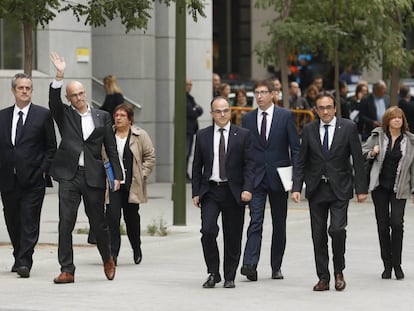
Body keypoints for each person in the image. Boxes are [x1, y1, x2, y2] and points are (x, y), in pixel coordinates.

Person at [49, 52, 123, 284]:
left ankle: (107, 258)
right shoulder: (65, 115)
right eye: (74, 95)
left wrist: (117, 175)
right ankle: (67, 269)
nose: (79, 97)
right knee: (66, 222)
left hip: (93, 176)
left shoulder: (102, 117)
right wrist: (59, 75)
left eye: (81, 93)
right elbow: (53, 101)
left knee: (98, 223)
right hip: (69, 175)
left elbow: (111, 147)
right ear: (69, 98)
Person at [291, 92, 368, 292]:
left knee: (336, 230)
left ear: (335, 108)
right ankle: (323, 277)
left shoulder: (348, 127)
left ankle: (339, 271)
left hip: (340, 188)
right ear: (316, 110)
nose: (325, 111)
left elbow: (358, 160)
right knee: (318, 235)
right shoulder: (308, 130)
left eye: (328, 107)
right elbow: (301, 161)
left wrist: (361, 189)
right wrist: (297, 187)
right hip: (316, 189)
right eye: (321, 108)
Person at [192, 96, 255, 289]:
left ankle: (230, 275)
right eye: (218, 111)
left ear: (230, 112)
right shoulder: (202, 135)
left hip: (234, 192)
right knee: (208, 231)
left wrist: (247, 188)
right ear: (211, 114)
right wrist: (196, 192)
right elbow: (197, 166)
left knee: (233, 234)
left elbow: (250, 165)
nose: (222, 114)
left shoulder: (243, 135)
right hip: (211, 191)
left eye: (225, 110)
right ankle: (213, 272)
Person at [241, 80, 300, 281]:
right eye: (256, 92)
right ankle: (250, 264)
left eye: (263, 92)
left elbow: (296, 149)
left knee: (279, 223)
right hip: (255, 178)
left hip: (279, 177)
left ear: (273, 94)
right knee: (255, 220)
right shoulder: (247, 118)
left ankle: (276, 266)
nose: (259, 96)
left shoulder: (286, 116)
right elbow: (244, 150)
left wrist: (296, 182)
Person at [0, 73, 57, 278]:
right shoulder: (2, 116)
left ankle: (25, 261)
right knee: (12, 220)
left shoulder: (42, 115)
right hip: (7, 180)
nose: (24, 91)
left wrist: (42, 170)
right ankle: (19, 255)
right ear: (13, 90)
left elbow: (51, 148)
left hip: (33, 180)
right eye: (20, 88)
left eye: (28, 88)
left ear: (31, 91)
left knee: (29, 220)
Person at [362, 107, 414, 280]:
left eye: (400, 117)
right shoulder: (377, 136)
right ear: (388, 120)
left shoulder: (410, 141)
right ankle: (387, 265)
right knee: (383, 226)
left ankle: (397, 264)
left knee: (397, 224)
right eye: (394, 118)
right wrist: (372, 152)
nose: (398, 120)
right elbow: (362, 151)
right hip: (380, 187)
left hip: (400, 188)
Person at [106, 103, 155, 265]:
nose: (118, 118)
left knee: (131, 219)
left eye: (122, 115)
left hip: (131, 185)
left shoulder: (140, 135)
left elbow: (150, 157)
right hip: (113, 184)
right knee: (112, 218)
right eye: (116, 115)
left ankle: (136, 247)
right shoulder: (107, 134)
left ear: (130, 119)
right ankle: (113, 253)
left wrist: (142, 174)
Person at [186, 80, 203, 181]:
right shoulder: (184, 98)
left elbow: (199, 110)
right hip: (186, 129)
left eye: (190, 85)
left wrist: (195, 109)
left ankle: (185, 173)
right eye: (187, 85)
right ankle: (183, 174)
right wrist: (195, 110)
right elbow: (190, 112)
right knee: (186, 152)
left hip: (191, 129)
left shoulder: (190, 98)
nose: (189, 87)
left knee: (188, 153)